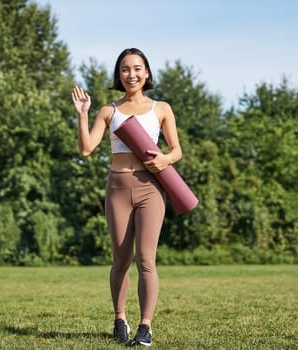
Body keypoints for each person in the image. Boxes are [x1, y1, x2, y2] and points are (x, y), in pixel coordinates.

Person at [71, 47, 182, 346]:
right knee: (120, 260)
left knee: (146, 260)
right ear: (118, 75)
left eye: (136, 68)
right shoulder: (110, 111)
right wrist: (82, 115)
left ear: (146, 73)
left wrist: (166, 160)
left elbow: (177, 150)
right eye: (124, 69)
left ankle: (145, 326)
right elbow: (86, 148)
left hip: (150, 189)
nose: (131, 74)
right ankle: (120, 319)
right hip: (117, 189)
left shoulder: (162, 108)